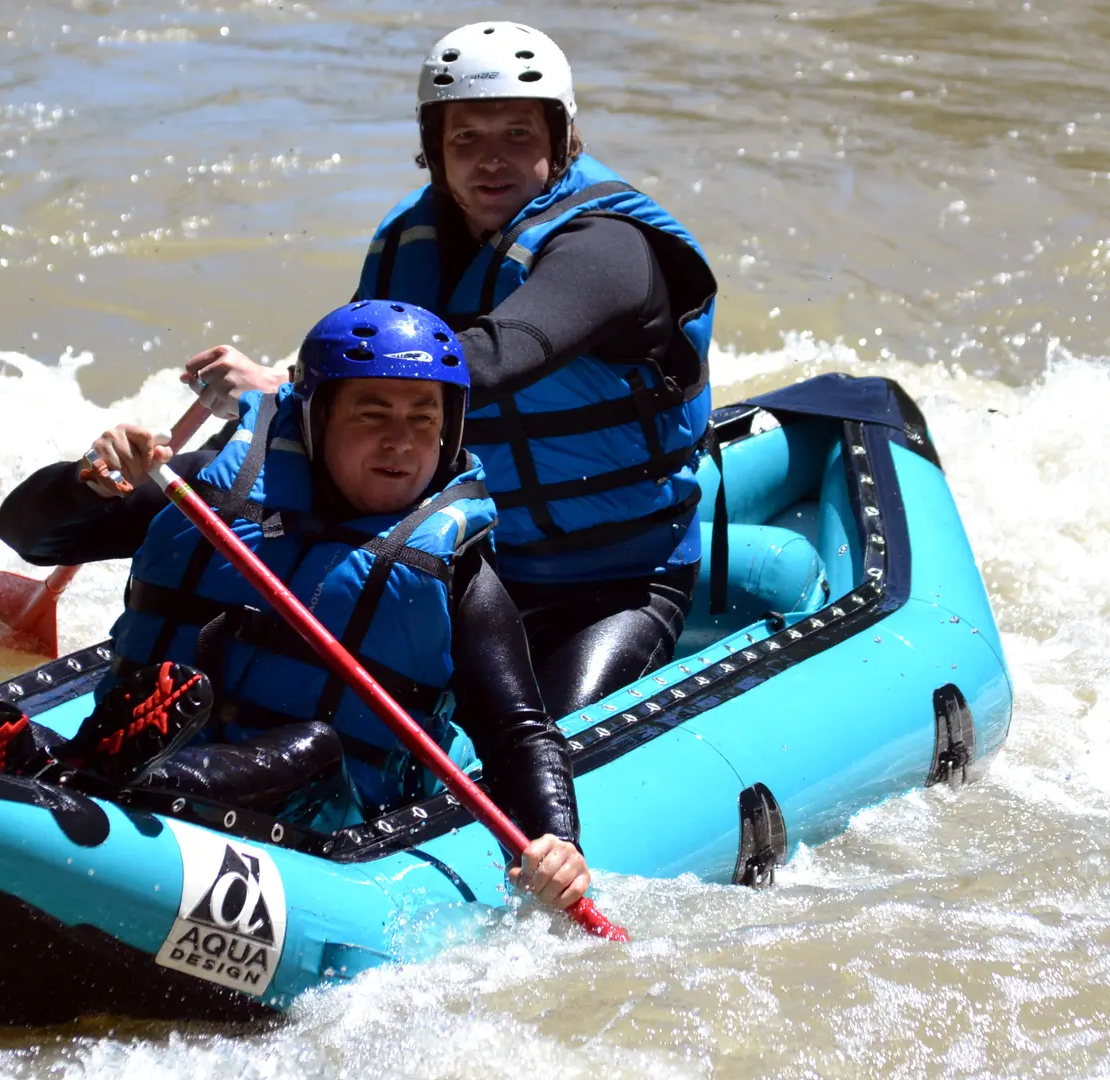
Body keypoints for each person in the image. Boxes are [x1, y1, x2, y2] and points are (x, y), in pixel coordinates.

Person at [0, 301, 590, 910]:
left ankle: (97, 775)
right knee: (178, 694)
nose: (400, 443)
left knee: (316, 746)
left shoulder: (455, 570)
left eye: (423, 420)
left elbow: (519, 734)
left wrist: (557, 842)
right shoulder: (210, 489)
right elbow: (31, 537)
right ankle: (82, 765)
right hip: (169, 743)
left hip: (328, 816)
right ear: (316, 416)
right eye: (372, 415)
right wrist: (87, 479)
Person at [186, 22, 721, 717]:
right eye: (466, 138)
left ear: (561, 141)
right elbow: (343, 397)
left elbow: (501, 354)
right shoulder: (411, 239)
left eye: (518, 135)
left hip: (612, 583)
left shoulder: (607, 248)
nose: (491, 161)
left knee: (547, 741)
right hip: (457, 570)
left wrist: (286, 386)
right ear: (435, 149)